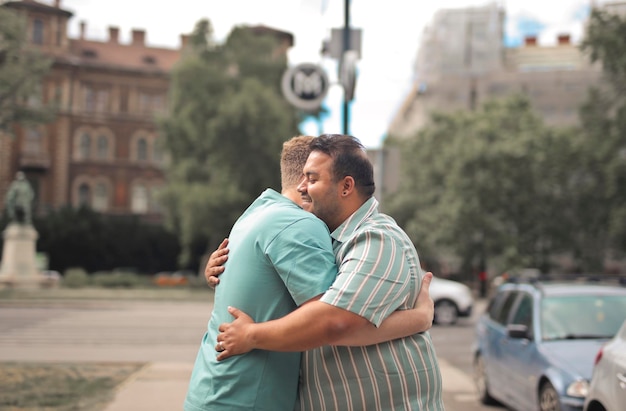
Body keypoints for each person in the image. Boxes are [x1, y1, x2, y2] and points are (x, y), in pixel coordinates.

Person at [185, 136, 435, 411]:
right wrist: (418, 318)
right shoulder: (310, 230)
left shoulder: (375, 238)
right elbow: (324, 319)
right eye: (304, 177)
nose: (303, 188)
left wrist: (252, 334)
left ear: (346, 186)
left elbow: (333, 323)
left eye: (313, 178)